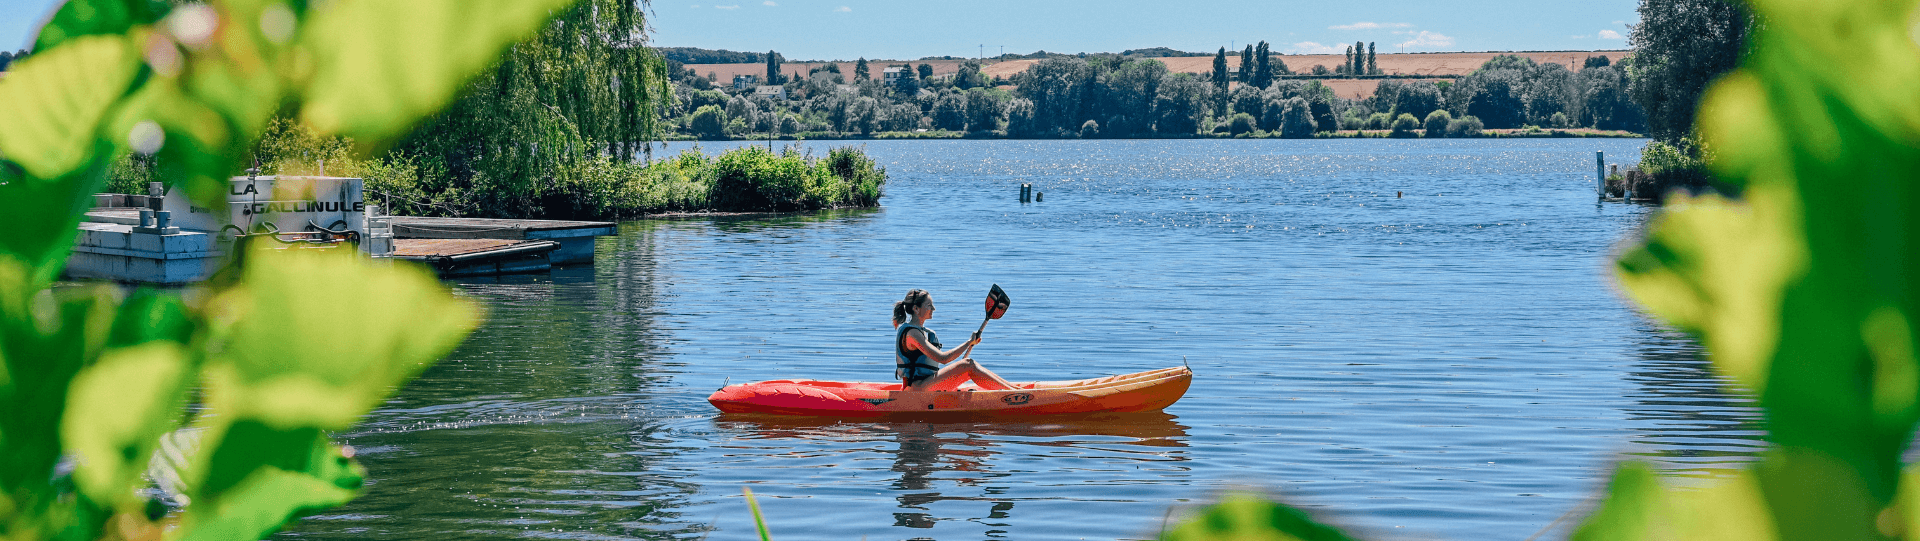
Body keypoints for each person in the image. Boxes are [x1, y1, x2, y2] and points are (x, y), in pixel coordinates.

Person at [892, 289, 1016, 391]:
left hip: (927, 384)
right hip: (917, 390)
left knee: (969, 366)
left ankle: (1014, 389)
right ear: (916, 309)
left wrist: (969, 345)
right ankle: (1014, 394)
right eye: (929, 305)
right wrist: (968, 342)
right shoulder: (912, 333)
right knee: (968, 364)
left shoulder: (924, 332)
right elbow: (943, 359)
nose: (933, 308)